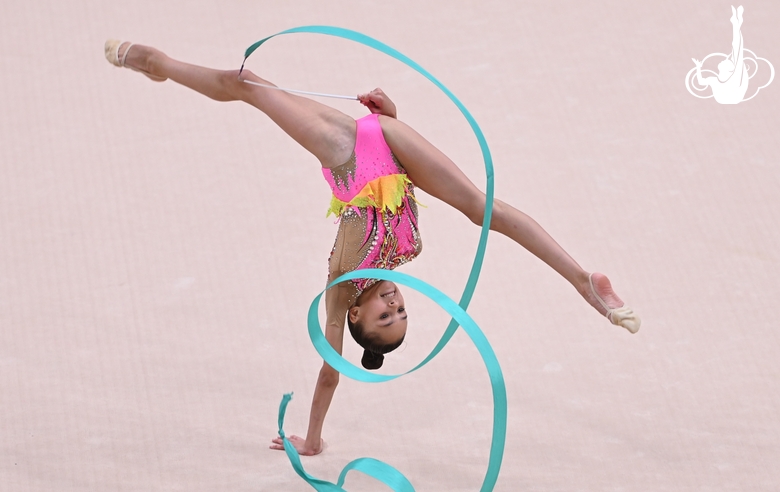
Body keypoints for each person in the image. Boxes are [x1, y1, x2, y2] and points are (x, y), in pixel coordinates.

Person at [104, 39, 640, 456]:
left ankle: (161, 64)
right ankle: (582, 280)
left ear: (358, 313)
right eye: (402, 312)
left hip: (349, 159)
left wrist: (313, 439)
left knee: (247, 83)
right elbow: (402, 196)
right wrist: (392, 117)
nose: (394, 305)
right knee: (482, 208)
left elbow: (331, 372)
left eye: (385, 317)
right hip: (391, 147)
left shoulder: (340, 293)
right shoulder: (405, 257)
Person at [692, 5, 749, 104]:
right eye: (727, 61)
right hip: (731, 97)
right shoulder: (720, 79)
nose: (725, 60)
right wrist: (698, 67)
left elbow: (701, 82)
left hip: (731, 96)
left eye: (726, 62)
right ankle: (736, 23)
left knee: (737, 50)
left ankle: (736, 23)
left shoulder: (718, 80)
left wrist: (698, 67)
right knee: (737, 52)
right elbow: (701, 82)